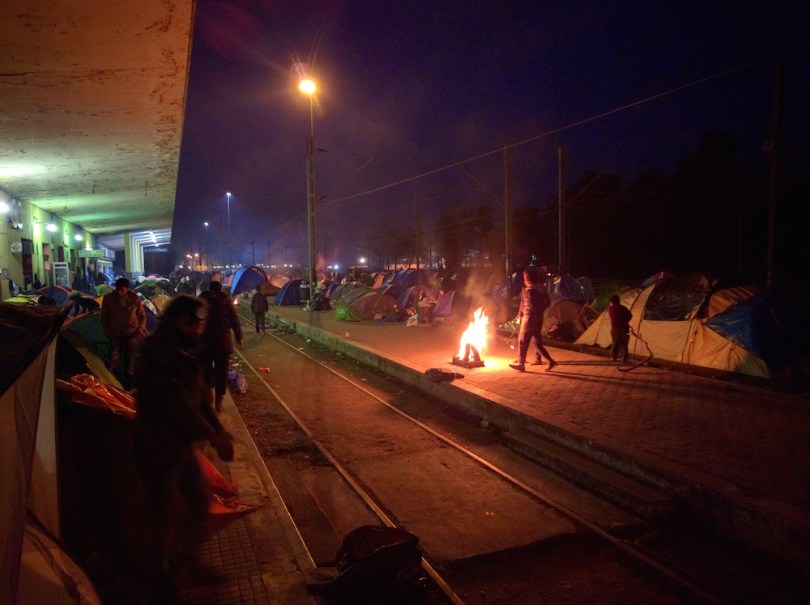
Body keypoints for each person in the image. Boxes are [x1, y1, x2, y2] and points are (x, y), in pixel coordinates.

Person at [132, 295, 234, 602]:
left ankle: (186, 562)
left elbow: (200, 400)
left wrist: (218, 429)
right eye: (192, 323)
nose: (198, 329)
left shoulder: (186, 350)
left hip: (179, 447)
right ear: (176, 321)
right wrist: (213, 437)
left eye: (200, 323)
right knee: (162, 517)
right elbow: (175, 406)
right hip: (157, 448)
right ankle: (158, 584)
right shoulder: (159, 352)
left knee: (199, 503)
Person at [198, 280, 243, 411]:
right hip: (222, 343)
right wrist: (239, 336)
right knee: (221, 372)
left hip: (205, 343)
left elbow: (198, 318)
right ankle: (219, 398)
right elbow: (234, 320)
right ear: (221, 288)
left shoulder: (202, 300)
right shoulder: (225, 301)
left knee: (205, 369)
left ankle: (208, 394)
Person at [100, 277, 147, 388]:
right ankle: (112, 384)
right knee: (113, 360)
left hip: (132, 334)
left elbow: (142, 316)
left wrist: (139, 330)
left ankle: (129, 385)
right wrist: (108, 333)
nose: (120, 292)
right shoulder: (108, 299)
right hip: (115, 334)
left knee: (130, 361)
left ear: (127, 289)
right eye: (118, 289)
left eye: (122, 290)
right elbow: (103, 318)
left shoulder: (135, 299)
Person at [509, 266, 556, 372]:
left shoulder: (534, 291)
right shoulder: (528, 288)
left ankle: (521, 363)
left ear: (529, 277)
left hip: (531, 320)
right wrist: (520, 313)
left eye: (525, 276)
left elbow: (539, 306)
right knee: (536, 343)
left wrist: (530, 316)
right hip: (530, 318)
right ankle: (551, 361)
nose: (524, 278)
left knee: (523, 340)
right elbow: (523, 302)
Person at [607, 294, 633, 363]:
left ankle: (613, 357)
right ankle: (624, 358)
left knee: (615, 343)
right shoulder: (623, 308)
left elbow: (612, 318)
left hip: (615, 329)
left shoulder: (610, 309)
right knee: (624, 344)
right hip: (624, 328)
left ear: (611, 302)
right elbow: (630, 315)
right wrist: (625, 321)